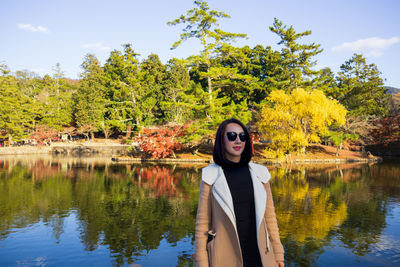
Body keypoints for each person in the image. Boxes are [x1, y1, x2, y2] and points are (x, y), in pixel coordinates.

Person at [194, 118, 284, 267]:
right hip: (224, 256)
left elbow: (270, 219)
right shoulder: (210, 176)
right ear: (221, 140)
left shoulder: (260, 174)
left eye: (242, 136)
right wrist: (202, 262)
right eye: (231, 136)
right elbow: (202, 225)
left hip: (260, 255)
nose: (238, 141)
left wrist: (279, 254)